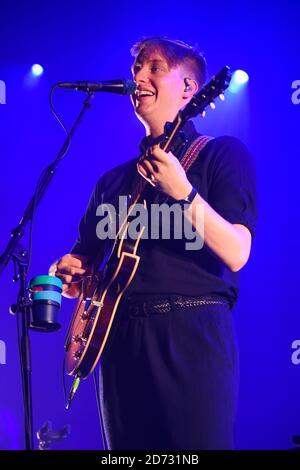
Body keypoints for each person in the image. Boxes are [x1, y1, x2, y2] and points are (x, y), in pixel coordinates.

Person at [50, 36, 257, 450]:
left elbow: (237, 252)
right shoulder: (111, 182)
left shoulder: (220, 156)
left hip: (190, 335)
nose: (139, 78)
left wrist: (183, 192)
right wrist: (68, 274)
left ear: (188, 89)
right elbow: (82, 262)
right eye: (136, 71)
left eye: (155, 68)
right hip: (118, 342)